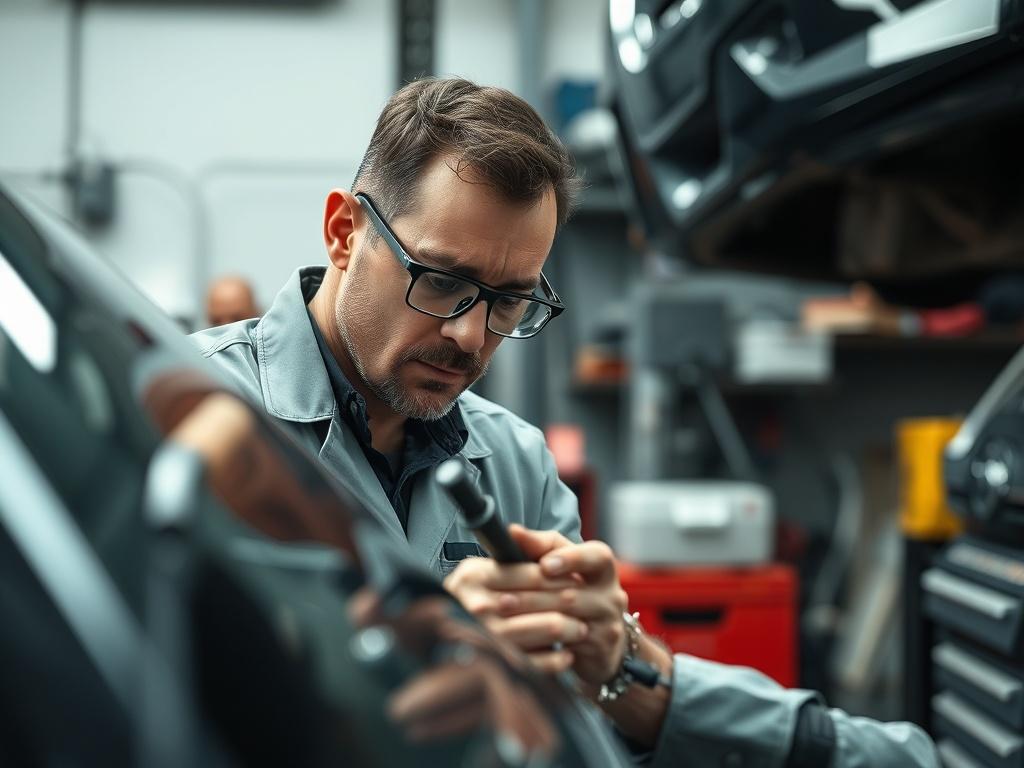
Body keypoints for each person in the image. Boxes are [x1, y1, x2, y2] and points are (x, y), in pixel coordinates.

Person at [192, 77, 939, 768]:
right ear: (345, 232)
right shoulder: (194, 410)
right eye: (444, 280)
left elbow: (577, 737)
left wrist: (609, 662)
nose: (470, 335)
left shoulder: (515, 462)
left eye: (510, 300)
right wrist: (394, 654)